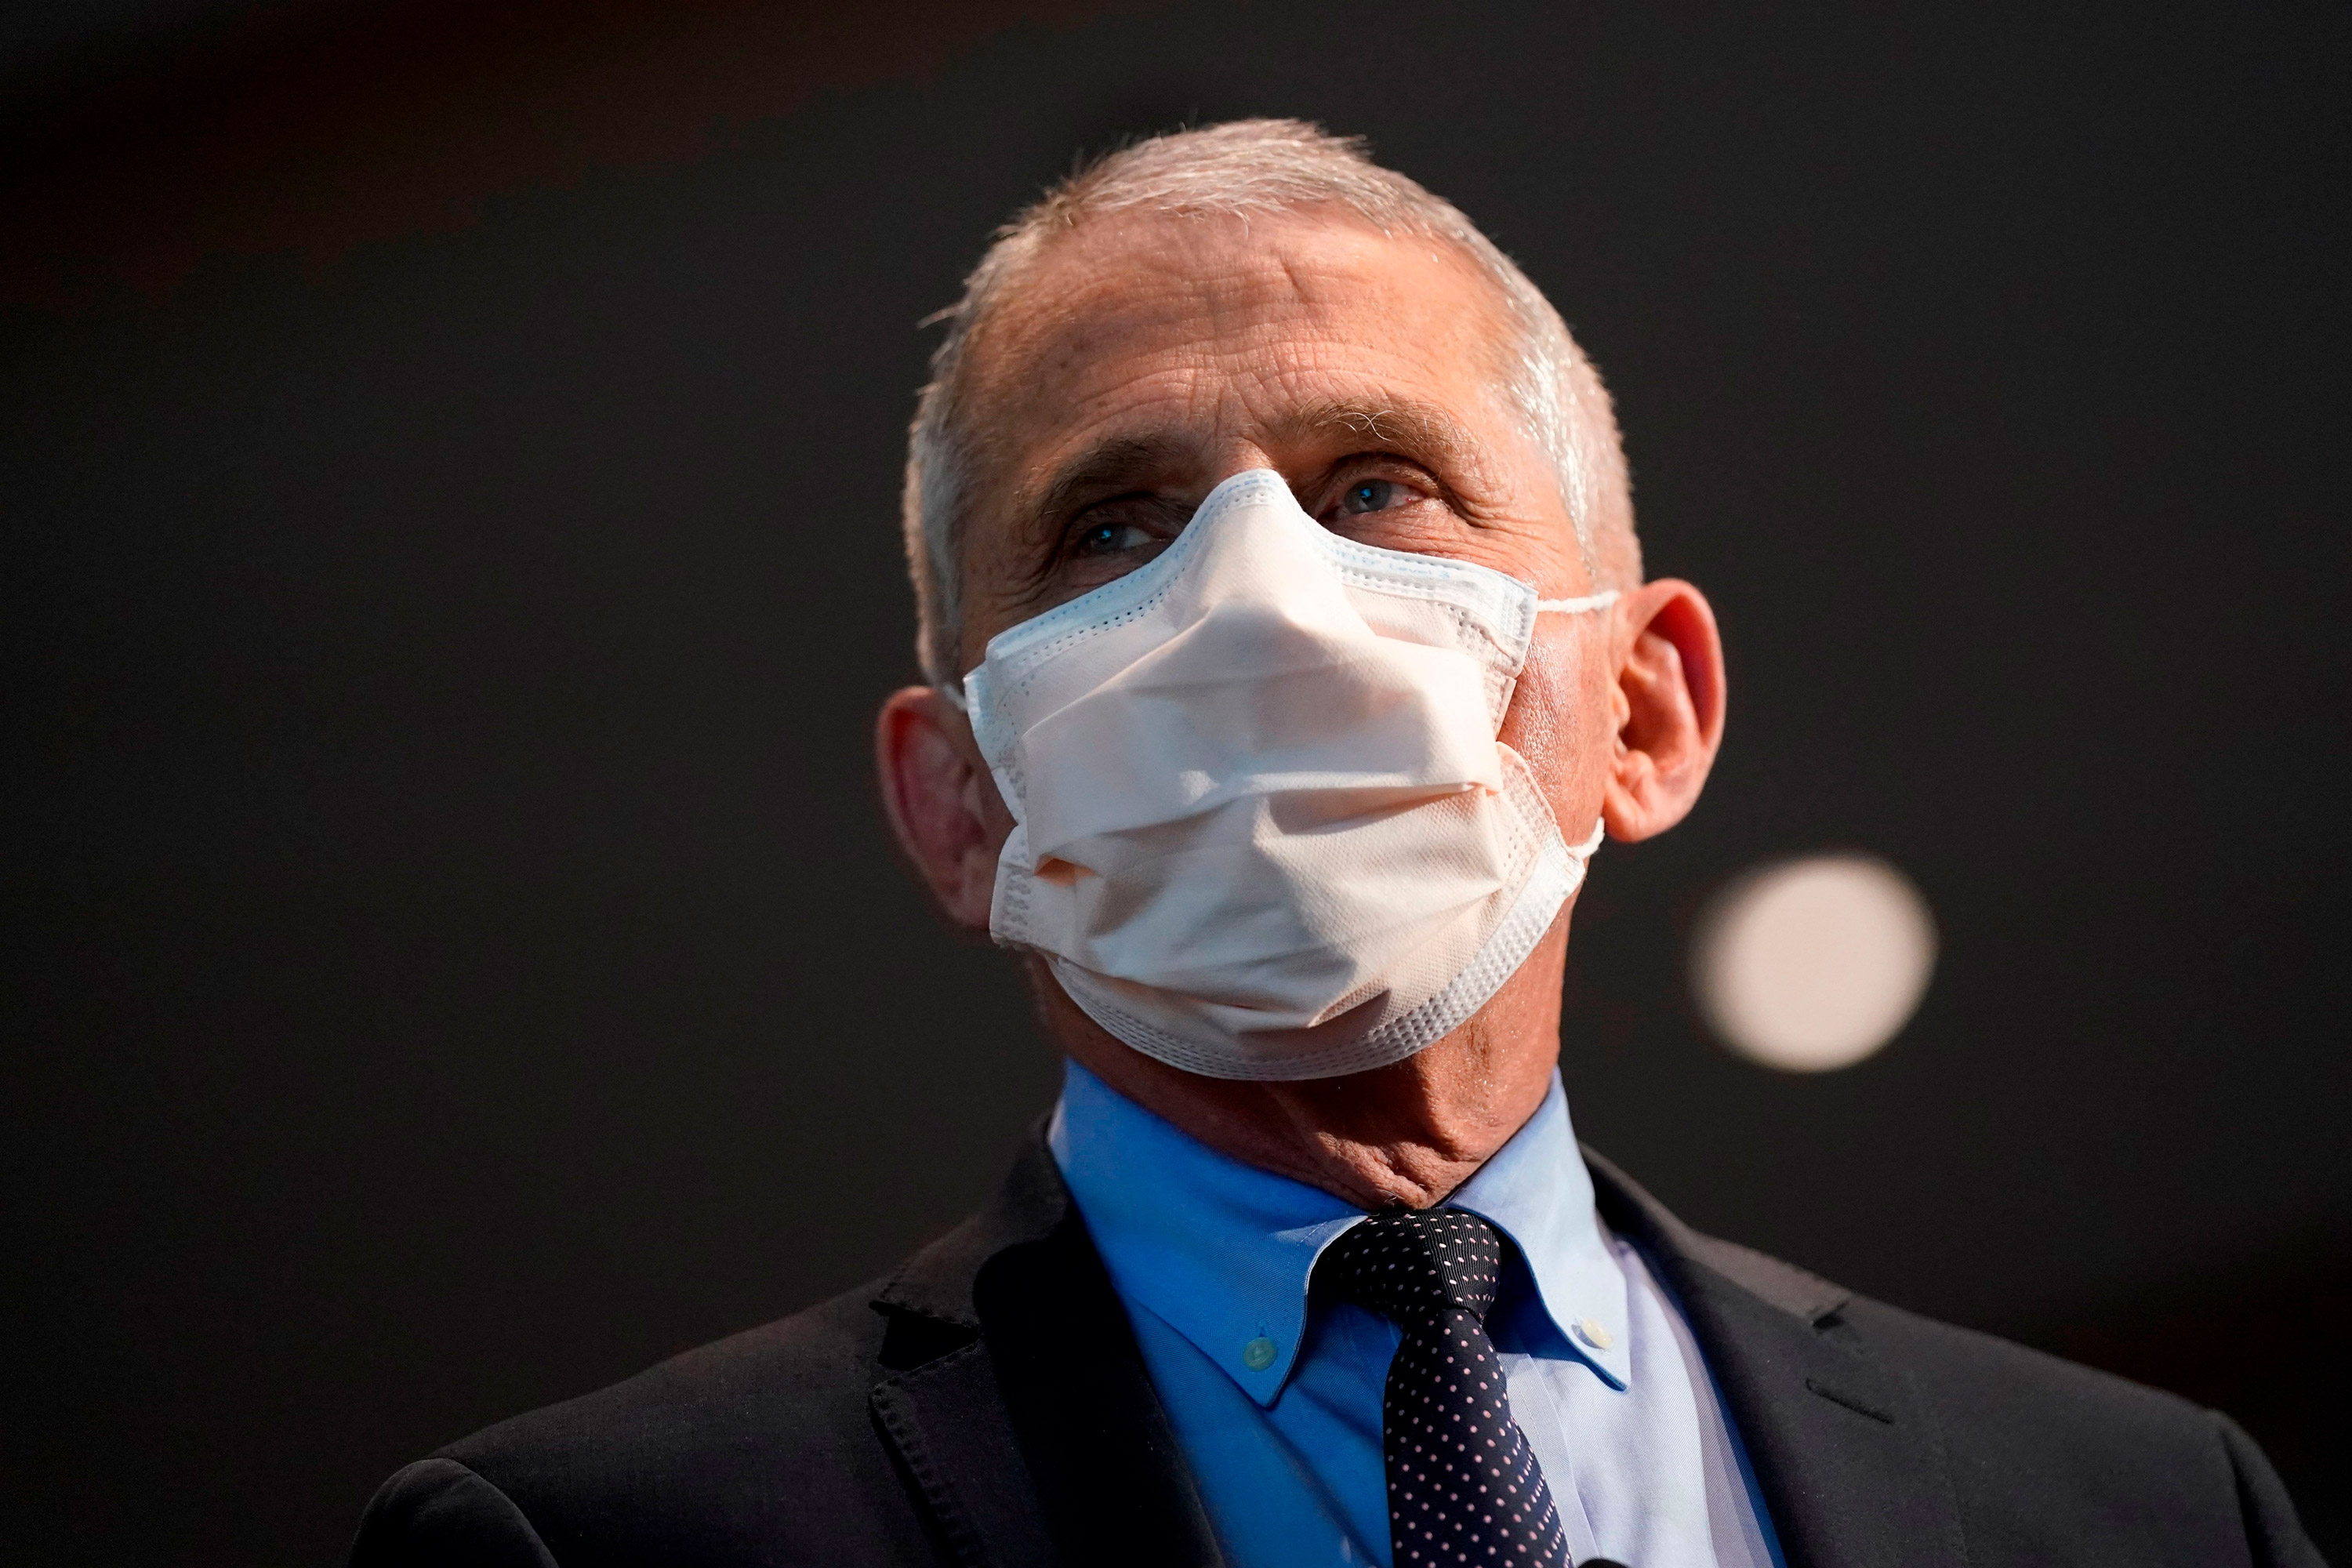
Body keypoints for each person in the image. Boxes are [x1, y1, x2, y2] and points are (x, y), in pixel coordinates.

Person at [350, 120, 2321, 1568]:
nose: (1258, 600)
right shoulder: (598, 1548)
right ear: (959, 803)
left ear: (1644, 709)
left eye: (1375, 483)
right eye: (1110, 525)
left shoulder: (2143, 1514)